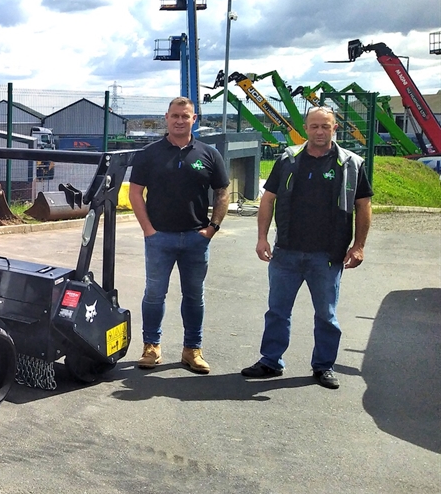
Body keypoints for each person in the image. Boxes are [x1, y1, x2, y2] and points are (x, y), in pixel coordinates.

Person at [243, 106, 372, 389]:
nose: (319, 131)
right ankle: (270, 361)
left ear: (334, 128)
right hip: (286, 252)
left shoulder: (351, 163)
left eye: (325, 126)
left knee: (326, 314)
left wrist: (358, 246)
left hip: (327, 255)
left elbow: (363, 205)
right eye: (314, 126)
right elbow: (268, 200)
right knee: (277, 311)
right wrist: (262, 238)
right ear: (306, 128)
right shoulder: (289, 159)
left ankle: (323, 366)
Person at [128, 97, 229, 374]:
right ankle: (151, 347)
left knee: (194, 296)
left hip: (196, 239)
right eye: (175, 116)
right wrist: (148, 230)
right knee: (154, 295)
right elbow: (135, 192)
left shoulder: (209, 154)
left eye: (185, 116)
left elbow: (222, 192)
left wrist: (211, 229)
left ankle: (192, 350)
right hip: (159, 238)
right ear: (166, 118)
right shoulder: (149, 153)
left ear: (194, 119)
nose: (180, 121)